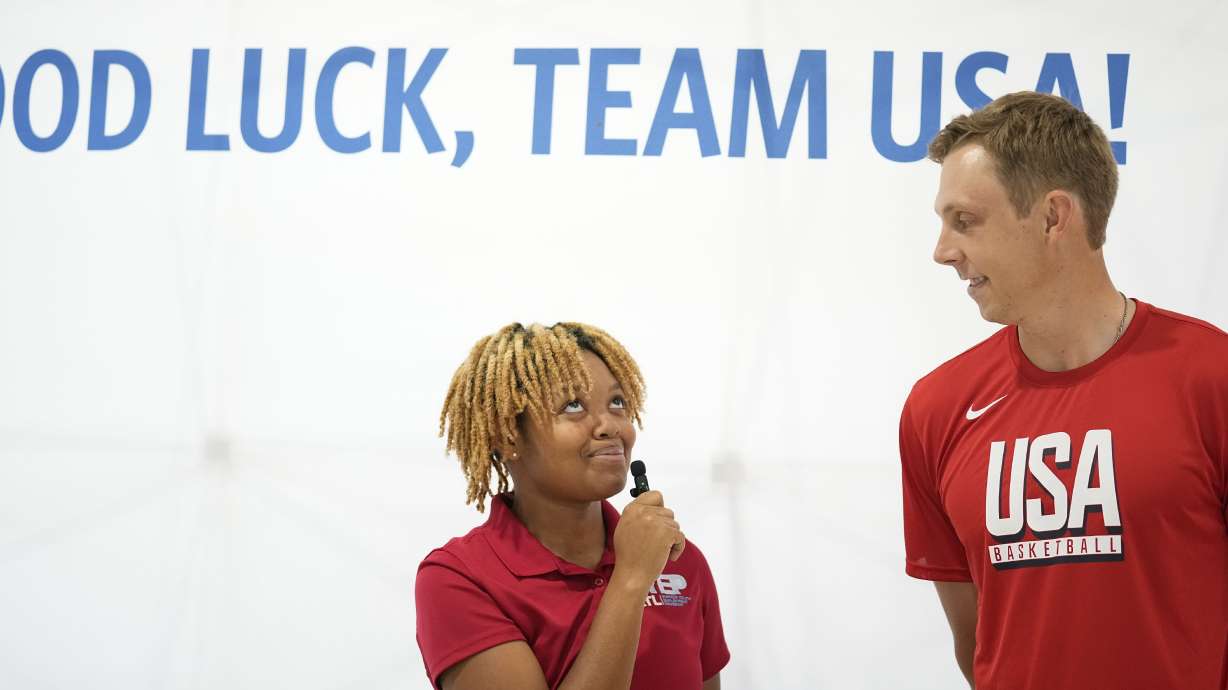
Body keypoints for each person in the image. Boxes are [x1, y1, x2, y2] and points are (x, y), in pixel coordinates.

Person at [900, 91, 1228, 689]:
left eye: (965, 221)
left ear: (1053, 217)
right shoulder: (935, 409)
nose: (943, 252)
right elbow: (979, 644)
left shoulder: (1212, 378)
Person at [416, 322, 729, 690]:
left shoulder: (680, 560)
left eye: (617, 402)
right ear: (507, 437)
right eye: (574, 405)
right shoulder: (459, 578)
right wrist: (630, 579)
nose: (610, 426)